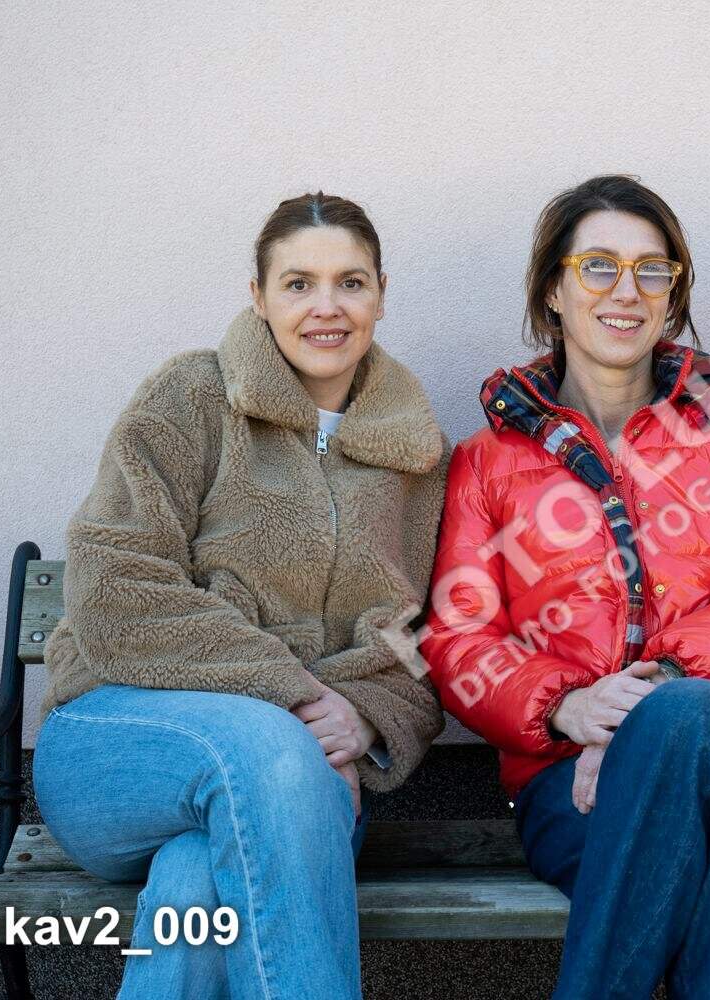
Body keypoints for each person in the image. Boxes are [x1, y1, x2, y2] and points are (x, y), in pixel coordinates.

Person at [419, 174, 710, 999]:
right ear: (553, 290)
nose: (627, 290)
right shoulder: (488, 462)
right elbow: (459, 640)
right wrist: (568, 707)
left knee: (680, 721)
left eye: (652, 270)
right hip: (567, 776)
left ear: (673, 293)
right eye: (599, 266)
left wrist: (656, 693)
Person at [33, 193, 449, 999]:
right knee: (270, 751)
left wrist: (367, 717)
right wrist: (295, 696)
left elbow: (429, 635)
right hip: (116, 740)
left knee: (195, 886)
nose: (326, 307)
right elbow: (115, 586)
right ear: (258, 296)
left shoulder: (420, 459)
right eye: (298, 283)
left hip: (307, 784)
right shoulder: (192, 398)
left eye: (350, 282)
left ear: (381, 294)